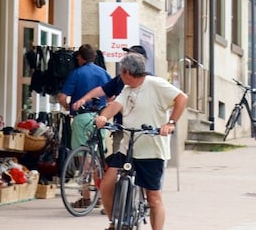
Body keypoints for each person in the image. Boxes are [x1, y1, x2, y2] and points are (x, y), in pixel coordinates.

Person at [91, 53, 187, 230]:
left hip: (151, 150)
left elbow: (182, 98)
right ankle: (114, 223)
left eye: (121, 71)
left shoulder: (155, 84)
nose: (120, 74)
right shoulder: (127, 89)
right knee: (106, 185)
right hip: (127, 148)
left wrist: (170, 123)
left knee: (153, 198)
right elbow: (115, 106)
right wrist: (103, 117)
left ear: (127, 72)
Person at [59, 44, 112, 150]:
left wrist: (67, 106)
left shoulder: (76, 73)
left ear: (80, 57)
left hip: (81, 117)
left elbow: (62, 97)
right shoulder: (104, 73)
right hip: (100, 117)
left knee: (81, 151)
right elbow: (111, 97)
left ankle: (85, 161)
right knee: (98, 150)